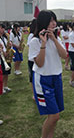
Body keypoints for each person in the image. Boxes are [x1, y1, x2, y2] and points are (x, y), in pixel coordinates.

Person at [29, 10, 67, 138]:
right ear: (43, 22)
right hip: (43, 79)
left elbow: (64, 55)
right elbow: (39, 63)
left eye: (54, 20)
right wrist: (44, 43)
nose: (54, 23)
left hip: (57, 77)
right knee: (54, 115)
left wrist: (54, 39)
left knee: (55, 116)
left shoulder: (57, 39)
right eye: (50, 21)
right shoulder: (35, 41)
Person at [0, 24, 12, 93]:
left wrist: (10, 46)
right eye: (2, 28)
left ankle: (5, 85)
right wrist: (4, 52)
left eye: (3, 28)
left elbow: (7, 44)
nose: (3, 29)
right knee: (2, 73)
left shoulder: (5, 37)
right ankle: (1, 87)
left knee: (6, 73)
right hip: (1, 56)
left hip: (6, 56)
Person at [27, 19, 37, 100]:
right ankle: (34, 93)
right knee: (32, 78)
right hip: (32, 60)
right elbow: (30, 46)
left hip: (37, 60)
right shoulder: (31, 35)